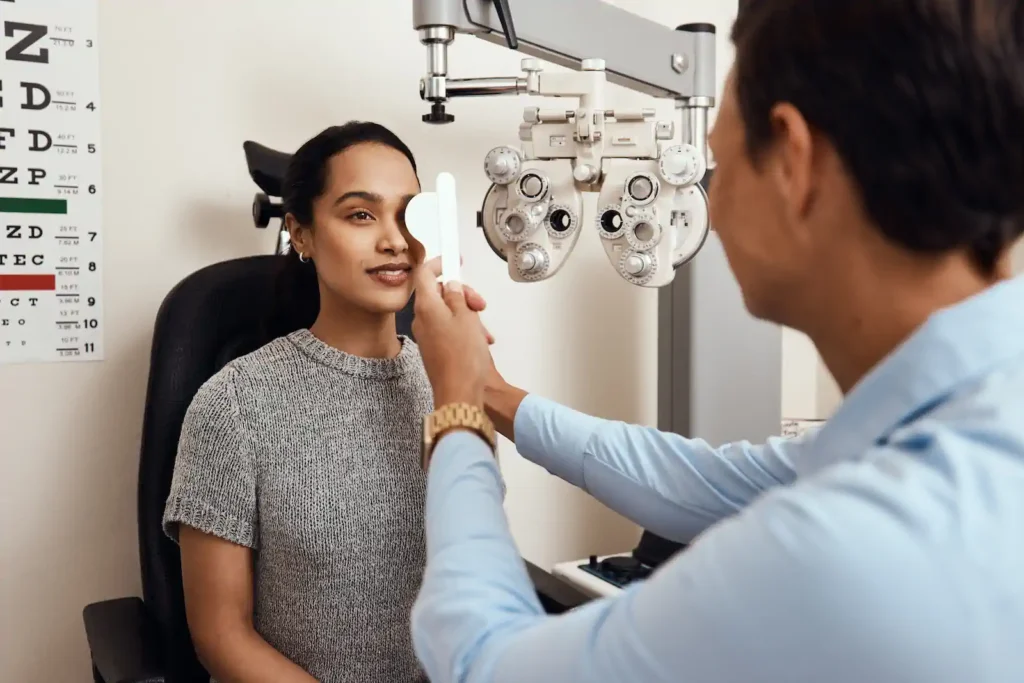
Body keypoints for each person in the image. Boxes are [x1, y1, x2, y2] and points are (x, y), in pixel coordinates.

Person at [406, 2, 1024, 682]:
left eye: (718, 169)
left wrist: (456, 409)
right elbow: (699, 483)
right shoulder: (974, 415)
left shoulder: (845, 552)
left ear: (793, 163)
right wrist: (490, 391)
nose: (713, 216)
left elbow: (482, 662)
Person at [161, 121, 486, 683]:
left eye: (408, 214)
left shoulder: (451, 382)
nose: (395, 240)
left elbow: (476, 572)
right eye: (361, 214)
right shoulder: (234, 404)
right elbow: (221, 635)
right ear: (301, 234)